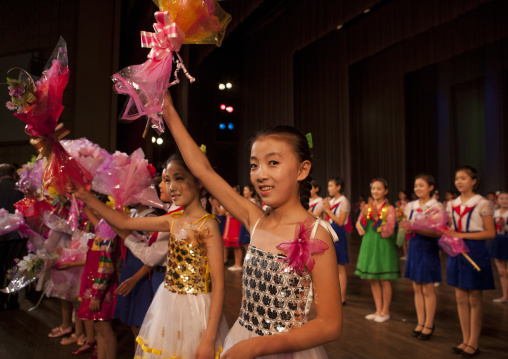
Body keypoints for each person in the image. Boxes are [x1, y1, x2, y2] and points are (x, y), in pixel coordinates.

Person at [162, 91, 342, 358]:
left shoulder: (317, 234)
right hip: (241, 339)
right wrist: (168, 111)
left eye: (273, 163)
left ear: (302, 170)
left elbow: (330, 325)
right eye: (254, 165)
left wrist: (256, 346)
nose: (261, 174)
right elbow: (203, 171)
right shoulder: (254, 219)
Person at [67, 153, 228, 359]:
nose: (171, 187)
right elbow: (124, 223)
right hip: (169, 302)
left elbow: (220, 284)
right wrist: (85, 196)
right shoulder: (173, 220)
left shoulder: (208, 224)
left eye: (179, 178)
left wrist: (209, 338)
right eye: (167, 180)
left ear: (198, 182)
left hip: (196, 309)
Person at [444, 166, 495, 357]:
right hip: (456, 250)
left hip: (475, 250)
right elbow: (449, 227)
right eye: (457, 178)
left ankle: (474, 342)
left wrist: (460, 234)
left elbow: (490, 232)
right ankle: (465, 339)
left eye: (463, 178)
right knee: (460, 296)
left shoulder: (482, 203)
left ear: (474, 181)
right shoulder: (451, 203)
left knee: (474, 297)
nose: (459, 182)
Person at [403, 174, 443, 340]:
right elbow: (406, 225)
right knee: (416, 287)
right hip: (414, 246)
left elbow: (437, 231)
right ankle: (420, 322)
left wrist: (415, 228)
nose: (418, 189)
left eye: (421, 185)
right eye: (416, 186)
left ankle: (429, 323)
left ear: (431, 187)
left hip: (428, 247)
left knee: (427, 288)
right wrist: (407, 227)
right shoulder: (410, 205)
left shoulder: (436, 206)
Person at [355, 178, 400, 323]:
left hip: (383, 245)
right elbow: (359, 228)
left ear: (386, 191)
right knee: (373, 280)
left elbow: (389, 230)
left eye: (379, 188)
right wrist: (363, 215)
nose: (375, 191)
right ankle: (378, 309)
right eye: (373, 188)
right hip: (369, 243)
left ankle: (385, 311)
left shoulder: (389, 209)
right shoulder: (367, 207)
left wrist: (376, 218)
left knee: (384, 280)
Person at [0, 163, 25, 311]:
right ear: (13, 174)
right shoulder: (20, 190)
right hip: (16, 234)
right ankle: (12, 300)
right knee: (14, 268)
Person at [322, 177, 350, 305]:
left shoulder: (343, 201)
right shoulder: (331, 200)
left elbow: (340, 221)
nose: (329, 188)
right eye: (328, 186)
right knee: (330, 265)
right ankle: (332, 295)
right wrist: (325, 210)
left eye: (331, 185)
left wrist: (327, 210)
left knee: (340, 266)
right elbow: (324, 219)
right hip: (328, 232)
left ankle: (342, 297)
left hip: (338, 233)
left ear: (339, 187)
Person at [491, 191, 508, 303]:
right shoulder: (495, 212)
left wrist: (505, 226)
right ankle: (505, 296)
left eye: (507, 198)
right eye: (502, 198)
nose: (505, 200)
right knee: (501, 272)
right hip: (498, 240)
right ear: (498, 200)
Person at [223, 185, 243, 271]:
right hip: (231, 222)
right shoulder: (232, 200)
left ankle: (239, 264)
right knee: (234, 246)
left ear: (238, 192)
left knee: (237, 245)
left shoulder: (240, 200)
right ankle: (236, 263)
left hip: (236, 223)